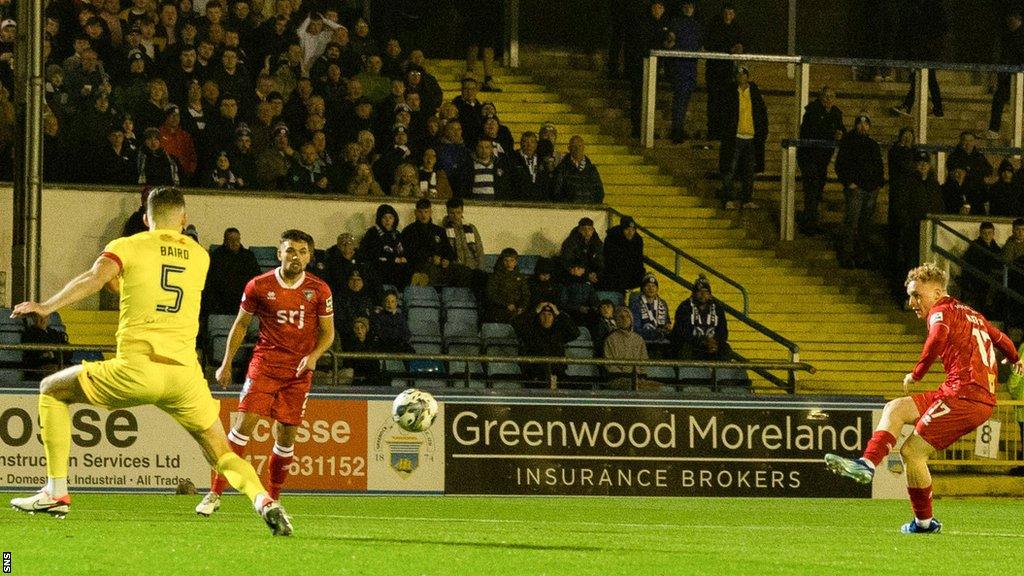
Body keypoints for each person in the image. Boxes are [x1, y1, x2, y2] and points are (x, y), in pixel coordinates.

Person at [8, 187, 293, 535]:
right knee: (221, 453)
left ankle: (56, 492)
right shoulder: (200, 255)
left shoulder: (128, 246)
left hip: (137, 368)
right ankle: (264, 501)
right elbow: (155, 283)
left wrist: (46, 306)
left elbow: (96, 279)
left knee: (51, 389)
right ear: (184, 220)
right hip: (184, 376)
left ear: (145, 219)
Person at [825, 263, 1022, 534]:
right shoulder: (970, 314)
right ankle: (867, 464)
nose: (912, 302)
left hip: (966, 396)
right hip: (960, 392)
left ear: (938, 292)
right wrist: (1015, 358)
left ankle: (924, 524)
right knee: (895, 409)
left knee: (912, 452)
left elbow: (938, 337)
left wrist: (917, 373)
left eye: (917, 295)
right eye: (910, 295)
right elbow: (1001, 338)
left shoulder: (940, 311)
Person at [197, 229, 334, 516]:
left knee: (286, 437)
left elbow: (327, 334)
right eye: (290, 250)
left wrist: (314, 356)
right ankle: (214, 493)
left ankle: (273, 499)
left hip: (298, 373)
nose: (295, 256)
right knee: (243, 427)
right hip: (265, 366)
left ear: (309, 257)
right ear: (279, 253)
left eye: (302, 251)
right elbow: (241, 325)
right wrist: (226, 362)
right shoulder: (259, 285)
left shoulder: (319, 290)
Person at [835, 114, 884, 268]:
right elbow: (840, 165)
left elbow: (879, 166)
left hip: (870, 190)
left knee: (865, 226)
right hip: (856, 189)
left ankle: (862, 256)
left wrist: (877, 184)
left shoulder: (873, 145)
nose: (863, 127)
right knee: (852, 223)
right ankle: (847, 256)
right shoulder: (848, 143)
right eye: (860, 124)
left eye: (866, 124)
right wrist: (849, 183)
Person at [797, 86, 845, 234]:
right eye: (826, 96)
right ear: (821, 97)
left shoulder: (836, 112)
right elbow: (811, 131)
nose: (829, 99)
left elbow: (842, 129)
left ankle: (812, 220)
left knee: (817, 190)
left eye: (832, 96)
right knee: (811, 189)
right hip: (809, 157)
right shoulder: (812, 111)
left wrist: (841, 133)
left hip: (823, 159)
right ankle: (809, 223)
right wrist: (832, 133)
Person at [719, 66, 768, 210]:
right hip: (735, 137)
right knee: (730, 168)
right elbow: (725, 114)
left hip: (751, 138)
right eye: (738, 74)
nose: (741, 77)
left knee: (749, 171)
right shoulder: (730, 93)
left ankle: (747, 199)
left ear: (747, 76)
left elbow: (762, 114)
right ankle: (728, 198)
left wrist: (762, 133)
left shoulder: (754, 93)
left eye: (743, 74)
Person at [891, 0, 945, 118]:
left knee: (925, 76)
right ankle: (935, 109)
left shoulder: (928, 7)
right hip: (926, 47)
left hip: (926, 48)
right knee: (926, 77)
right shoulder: (928, 7)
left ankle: (909, 106)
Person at [513, 301, 580, 387]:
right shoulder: (530, 332)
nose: (546, 318)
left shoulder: (558, 332)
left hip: (557, 374)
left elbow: (575, 333)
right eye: (543, 314)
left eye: (550, 315)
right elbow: (516, 323)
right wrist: (535, 311)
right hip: (535, 375)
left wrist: (559, 313)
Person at [203, 227, 262, 316]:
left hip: (243, 300)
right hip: (220, 302)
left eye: (237, 240)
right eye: (231, 240)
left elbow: (256, 278)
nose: (235, 243)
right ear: (225, 241)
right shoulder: (216, 256)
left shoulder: (248, 256)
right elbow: (210, 281)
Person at [671, 274, 731, 361]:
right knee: (684, 348)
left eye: (706, 291)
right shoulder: (685, 306)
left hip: (712, 345)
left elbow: (723, 331)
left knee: (725, 348)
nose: (703, 294)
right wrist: (702, 341)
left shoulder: (717, 307)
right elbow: (680, 332)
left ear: (710, 294)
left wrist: (715, 341)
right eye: (699, 291)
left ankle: (722, 374)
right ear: (693, 293)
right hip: (692, 345)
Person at [987, 11, 1024, 139]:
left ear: (1016, 19)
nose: (1008, 22)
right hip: (1010, 74)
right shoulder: (1011, 35)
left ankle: (994, 130)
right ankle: (993, 130)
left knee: (1000, 98)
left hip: (1016, 74)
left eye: (1010, 19)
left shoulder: (1016, 35)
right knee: (999, 98)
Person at [958, 222, 1002, 317]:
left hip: (991, 277)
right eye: (984, 233)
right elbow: (968, 263)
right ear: (980, 233)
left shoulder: (996, 248)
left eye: (989, 233)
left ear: (993, 234)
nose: (987, 235)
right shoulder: (975, 246)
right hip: (977, 278)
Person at [603, 305, 650, 390]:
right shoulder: (610, 339)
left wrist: (640, 376)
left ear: (631, 319)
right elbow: (609, 365)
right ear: (616, 320)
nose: (625, 319)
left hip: (638, 379)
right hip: (618, 379)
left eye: (627, 316)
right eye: (621, 317)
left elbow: (644, 362)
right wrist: (626, 375)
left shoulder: (639, 339)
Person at [551, 135, 605, 204]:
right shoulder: (562, 168)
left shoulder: (592, 169)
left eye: (579, 146)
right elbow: (556, 192)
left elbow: (599, 192)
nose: (577, 149)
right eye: (574, 146)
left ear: (583, 147)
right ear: (569, 148)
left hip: (589, 211)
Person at [484, 247, 530, 323]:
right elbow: (491, 294)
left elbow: (526, 294)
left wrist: (522, 307)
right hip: (500, 308)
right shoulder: (496, 276)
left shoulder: (520, 277)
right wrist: (506, 304)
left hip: (517, 309)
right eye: (506, 260)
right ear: (502, 261)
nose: (509, 264)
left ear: (516, 262)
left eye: (512, 260)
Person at [601, 215, 645, 291]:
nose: (630, 232)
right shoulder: (612, 237)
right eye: (627, 229)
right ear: (622, 230)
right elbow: (608, 259)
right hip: (614, 273)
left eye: (633, 230)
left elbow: (638, 259)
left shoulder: (637, 240)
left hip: (630, 273)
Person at [630, 273, 672, 350]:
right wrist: (656, 333)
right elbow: (635, 330)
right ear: (643, 288)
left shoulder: (663, 303)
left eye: (653, 286)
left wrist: (667, 326)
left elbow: (667, 322)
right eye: (647, 286)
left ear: (657, 288)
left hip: (662, 343)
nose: (651, 289)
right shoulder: (636, 305)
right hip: (643, 343)